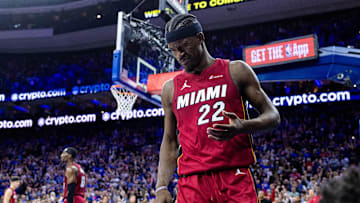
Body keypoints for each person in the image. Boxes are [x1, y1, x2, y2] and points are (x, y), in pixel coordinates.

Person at [155, 14, 280, 203]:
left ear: (200, 38)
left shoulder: (236, 71)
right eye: (174, 50)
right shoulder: (170, 89)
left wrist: (242, 126)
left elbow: (273, 116)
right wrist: (162, 186)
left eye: (184, 46)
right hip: (192, 183)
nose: (179, 54)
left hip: (234, 176)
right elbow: (170, 140)